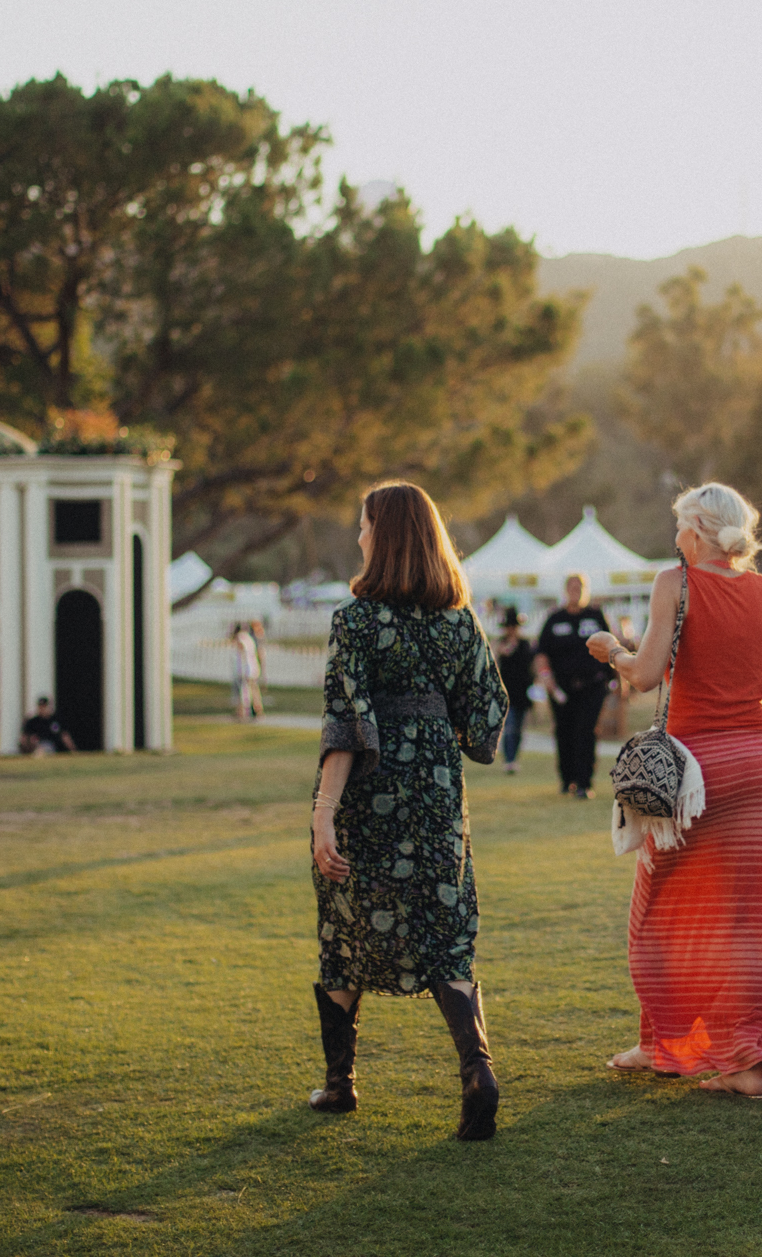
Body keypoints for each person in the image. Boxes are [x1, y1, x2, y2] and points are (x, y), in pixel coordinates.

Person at [586, 482, 762, 1100]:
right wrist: (751, 658)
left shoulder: (675, 582)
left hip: (693, 777)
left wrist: (612, 648)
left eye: (678, 528)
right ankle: (737, 1058)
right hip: (760, 772)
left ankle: (671, 1041)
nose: (674, 539)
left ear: (695, 530)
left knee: (658, 912)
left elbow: (642, 676)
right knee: (757, 919)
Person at [307, 481, 508, 1140]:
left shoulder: (355, 621)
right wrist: (439, 729)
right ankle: (478, 1070)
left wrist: (324, 813)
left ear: (384, 536)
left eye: (363, 525)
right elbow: (487, 713)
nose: (359, 535)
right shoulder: (459, 621)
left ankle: (340, 1084)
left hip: (368, 794)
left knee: (345, 928)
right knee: (444, 931)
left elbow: (346, 721)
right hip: (437, 797)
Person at [534, 574, 612, 798]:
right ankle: (567, 779)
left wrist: (615, 678)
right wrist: (547, 679)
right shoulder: (554, 619)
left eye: (580, 587)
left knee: (586, 731)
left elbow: (610, 646)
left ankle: (584, 783)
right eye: (572, 587)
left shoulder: (595, 616)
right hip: (562, 688)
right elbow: (541, 653)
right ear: (565, 590)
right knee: (564, 732)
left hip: (592, 685)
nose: (575, 591)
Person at [494, 608, 533, 774]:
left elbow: (531, 666)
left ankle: (514, 758)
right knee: (509, 726)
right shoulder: (500, 643)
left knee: (518, 728)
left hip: (522, 692)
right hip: (505, 692)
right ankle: (509, 760)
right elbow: (494, 662)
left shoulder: (525, 644)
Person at [231, 622, 263, 721]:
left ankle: (242, 711)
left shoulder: (241, 638)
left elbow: (242, 651)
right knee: (253, 690)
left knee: (243, 691)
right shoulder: (249, 638)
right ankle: (257, 710)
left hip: (246, 669)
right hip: (252, 668)